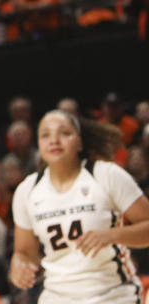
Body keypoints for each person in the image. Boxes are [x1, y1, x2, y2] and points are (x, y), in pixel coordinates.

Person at [10, 110, 149, 303]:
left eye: (64, 133)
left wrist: (112, 235)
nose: (54, 140)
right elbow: (24, 251)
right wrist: (19, 265)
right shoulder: (27, 190)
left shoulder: (106, 175)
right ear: (39, 145)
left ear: (80, 142)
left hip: (112, 295)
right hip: (56, 296)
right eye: (45, 135)